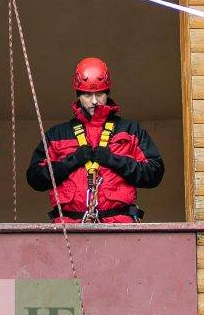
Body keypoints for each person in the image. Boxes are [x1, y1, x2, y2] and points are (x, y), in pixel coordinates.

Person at [26, 56, 164, 223]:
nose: (93, 101)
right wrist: (71, 161)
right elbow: (35, 178)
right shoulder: (57, 135)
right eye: (87, 94)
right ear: (78, 95)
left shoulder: (131, 130)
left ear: (107, 93)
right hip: (69, 229)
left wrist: (113, 160)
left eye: (99, 94)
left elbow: (155, 173)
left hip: (119, 227)